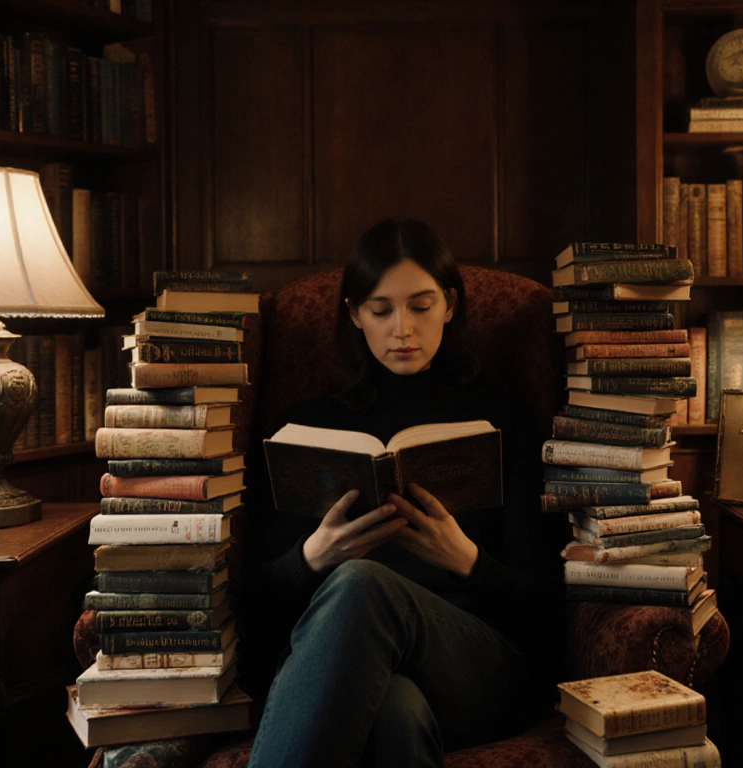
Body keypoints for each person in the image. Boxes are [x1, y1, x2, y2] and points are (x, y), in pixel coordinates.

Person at [240, 218, 565, 767]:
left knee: (365, 583)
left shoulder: (503, 421)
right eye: (380, 309)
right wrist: (311, 557)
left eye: (421, 305)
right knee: (395, 711)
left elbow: (547, 606)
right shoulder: (305, 429)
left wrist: (465, 560)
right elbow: (254, 604)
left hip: (478, 665)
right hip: (351, 667)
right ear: (354, 314)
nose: (403, 329)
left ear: (451, 305)